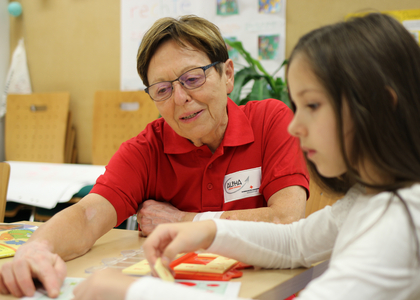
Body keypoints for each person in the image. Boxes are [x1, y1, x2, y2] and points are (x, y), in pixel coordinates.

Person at [72, 13, 420, 300]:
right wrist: (204, 231)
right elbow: (296, 241)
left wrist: (136, 291)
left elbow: (290, 228)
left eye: (312, 105)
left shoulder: (401, 220)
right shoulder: (371, 197)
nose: (296, 126)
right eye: (163, 89)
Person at [0, 15, 309, 298]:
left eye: (193, 78)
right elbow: (87, 216)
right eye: (162, 89)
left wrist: (184, 221)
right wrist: (36, 250)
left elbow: (286, 221)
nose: (181, 98)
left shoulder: (270, 120)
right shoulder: (147, 149)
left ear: (227, 74)